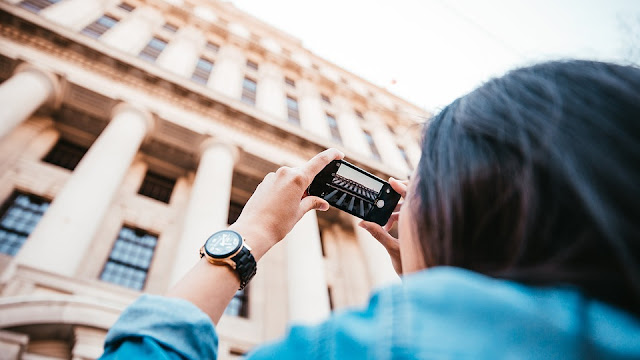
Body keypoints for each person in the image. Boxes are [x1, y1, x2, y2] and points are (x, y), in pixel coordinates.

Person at [99, 60, 640, 359]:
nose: (402, 187)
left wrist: (249, 237)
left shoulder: (387, 341)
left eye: (421, 173)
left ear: (471, 202)